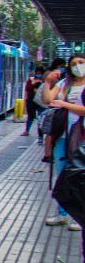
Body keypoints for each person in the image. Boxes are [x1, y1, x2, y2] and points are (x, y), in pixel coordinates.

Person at [42, 54, 85, 231]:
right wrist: (47, 83)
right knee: (63, 174)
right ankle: (63, 213)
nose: (78, 66)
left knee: (81, 177)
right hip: (63, 136)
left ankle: (80, 215)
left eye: (81, 63)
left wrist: (65, 105)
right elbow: (47, 100)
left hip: (82, 137)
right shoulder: (65, 84)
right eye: (74, 64)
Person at [41, 58, 66, 162]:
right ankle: (47, 155)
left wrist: (65, 104)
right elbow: (47, 99)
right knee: (50, 132)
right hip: (55, 110)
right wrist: (48, 81)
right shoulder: (62, 81)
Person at [21, 65, 45, 141]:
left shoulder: (44, 81)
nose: (38, 74)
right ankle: (27, 130)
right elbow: (27, 88)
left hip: (41, 101)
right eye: (37, 73)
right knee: (30, 116)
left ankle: (40, 136)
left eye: (40, 73)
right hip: (31, 101)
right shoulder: (31, 80)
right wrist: (34, 83)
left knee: (40, 118)